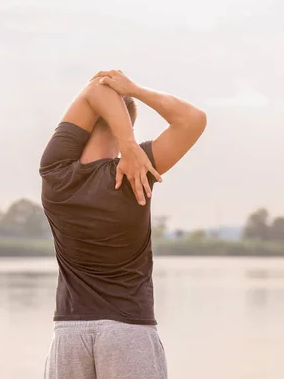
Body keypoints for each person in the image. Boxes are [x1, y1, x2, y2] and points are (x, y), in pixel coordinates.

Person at [39, 69, 207, 379]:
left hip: (68, 334)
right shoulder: (134, 173)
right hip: (128, 331)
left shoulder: (54, 172)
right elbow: (193, 119)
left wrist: (126, 139)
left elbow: (95, 87)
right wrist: (134, 93)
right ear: (123, 125)